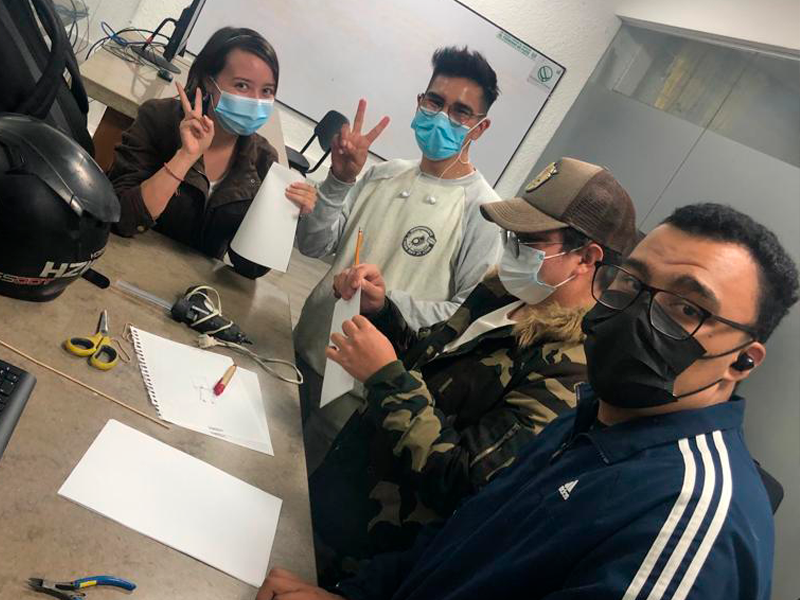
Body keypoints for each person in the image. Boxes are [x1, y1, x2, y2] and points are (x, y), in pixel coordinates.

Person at [258, 202, 798, 600]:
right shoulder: (588, 423)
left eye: (686, 308)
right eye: (631, 282)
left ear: (742, 361)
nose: (638, 312)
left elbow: (460, 478)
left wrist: (387, 379)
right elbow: (462, 540)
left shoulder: (686, 523)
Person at [309, 158, 638, 584]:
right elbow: (434, 364)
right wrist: (383, 312)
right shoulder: (501, 294)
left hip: (377, 553)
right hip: (341, 494)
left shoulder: (572, 367)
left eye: (529, 240)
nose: (511, 248)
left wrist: (386, 377)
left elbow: (467, 480)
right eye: (511, 235)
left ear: (586, 258)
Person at [294, 46, 503, 469]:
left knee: (304, 492)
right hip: (305, 348)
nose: (442, 117)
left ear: (479, 128)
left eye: (461, 112)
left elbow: (466, 318)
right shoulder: (381, 174)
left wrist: (386, 303)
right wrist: (339, 181)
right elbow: (313, 246)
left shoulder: (484, 212)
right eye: (435, 102)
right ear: (420, 102)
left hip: (360, 391)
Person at [108, 27, 317, 278]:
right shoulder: (158, 119)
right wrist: (185, 157)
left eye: (267, 91)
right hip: (125, 266)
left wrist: (284, 217)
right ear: (209, 82)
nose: (255, 101)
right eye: (242, 85)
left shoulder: (263, 159)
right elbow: (123, 219)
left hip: (191, 287)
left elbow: (249, 269)